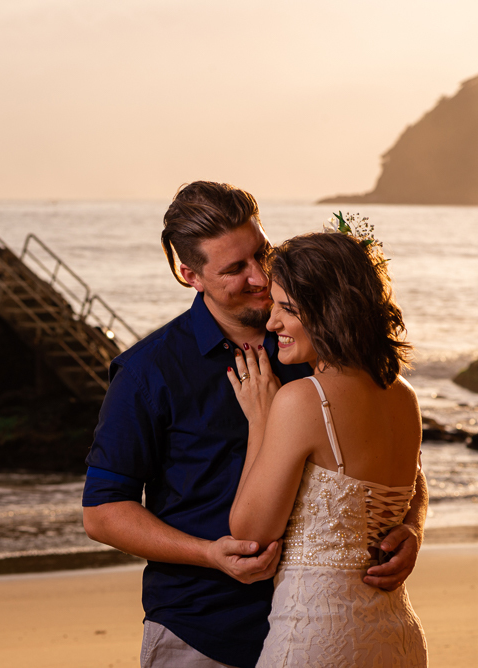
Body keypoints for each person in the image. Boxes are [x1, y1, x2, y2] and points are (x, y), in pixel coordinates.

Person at [81, 182, 427, 668]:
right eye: (234, 269)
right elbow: (102, 512)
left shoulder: (315, 344)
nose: (261, 277)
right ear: (189, 274)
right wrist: (207, 553)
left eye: (261, 253)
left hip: (323, 624)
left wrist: (410, 529)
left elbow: (401, 466)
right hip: (202, 629)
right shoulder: (148, 372)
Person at [227, 230, 428, 666]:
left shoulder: (303, 400)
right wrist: (413, 526)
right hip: (396, 636)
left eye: (288, 309)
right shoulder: (403, 395)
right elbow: (416, 482)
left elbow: (249, 532)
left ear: (330, 313)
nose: (272, 322)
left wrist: (260, 422)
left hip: (318, 634)